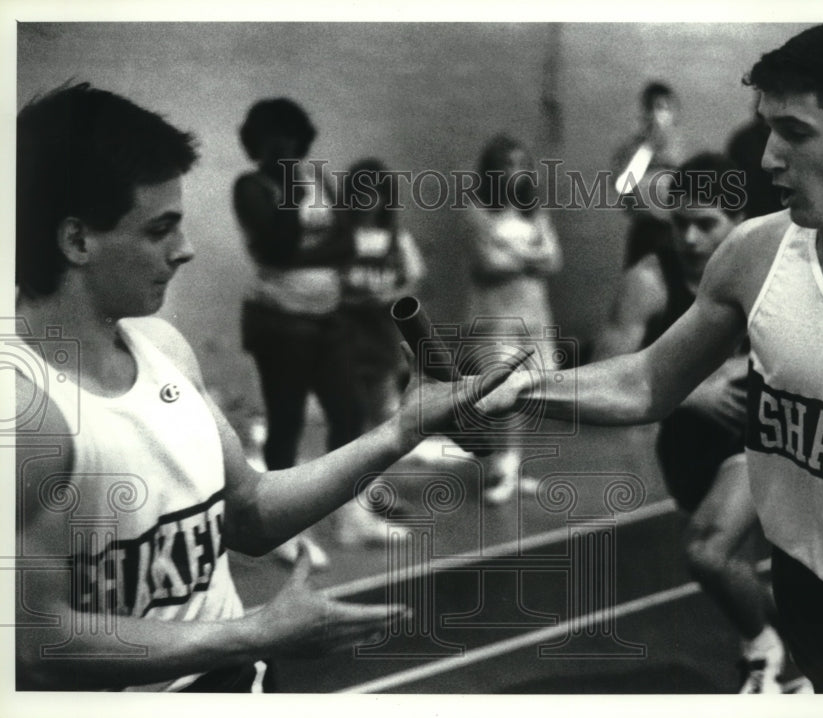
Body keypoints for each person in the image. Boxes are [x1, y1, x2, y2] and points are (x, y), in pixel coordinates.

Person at [483, 24, 823, 693]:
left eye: (795, 133)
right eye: (766, 129)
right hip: (807, 594)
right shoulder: (753, 251)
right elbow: (647, 378)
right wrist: (521, 389)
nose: (768, 159)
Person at [13, 82, 523, 692]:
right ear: (76, 241)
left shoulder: (165, 350)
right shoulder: (28, 413)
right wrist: (254, 632)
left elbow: (249, 510)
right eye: (160, 230)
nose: (187, 249)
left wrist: (400, 432)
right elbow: (36, 645)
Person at [594, 152, 796, 693]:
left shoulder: (774, 266)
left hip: (763, 437)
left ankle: (764, 655)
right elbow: (608, 374)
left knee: (708, 551)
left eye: (706, 224)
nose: (689, 237)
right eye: (680, 222)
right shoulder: (650, 280)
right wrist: (689, 388)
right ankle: (790, 655)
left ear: (738, 222)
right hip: (688, 449)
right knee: (740, 565)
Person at [233, 98, 353, 564]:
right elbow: (277, 248)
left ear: (301, 137)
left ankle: (342, 507)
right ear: (257, 143)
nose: (282, 145)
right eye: (271, 136)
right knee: (287, 422)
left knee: (350, 413)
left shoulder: (319, 177)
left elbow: (345, 245)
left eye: (289, 134)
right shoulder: (250, 186)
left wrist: (306, 250)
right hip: (278, 322)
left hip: (327, 317)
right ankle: (284, 526)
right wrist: (289, 194)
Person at [330, 158, 426, 543]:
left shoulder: (395, 237)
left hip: (382, 337)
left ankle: (374, 491)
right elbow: (332, 282)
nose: (369, 200)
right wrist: (356, 294)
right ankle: (351, 510)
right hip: (348, 337)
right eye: (362, 192)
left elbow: (414, 277)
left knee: (383, 418)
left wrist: (390, 294)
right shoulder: (340, 239)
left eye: (377, 192)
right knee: (350, 423)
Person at [465, 134, 563, 504]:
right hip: (495, 316)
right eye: (506, 165)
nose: (514, 172)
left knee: (526, 392)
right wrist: (530, 255)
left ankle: (511, 464)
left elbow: (554, 260)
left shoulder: (534, 212)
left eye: (521, 164)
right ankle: (497, 466)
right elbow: (489, 263)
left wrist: (514, 252)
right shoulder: (477, 211)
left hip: (533, 314)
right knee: (499, 392)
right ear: (491, 170)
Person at [612, 81, 687, 267]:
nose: (657, 116)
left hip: (675, 233)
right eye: (651, 108)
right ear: (643, 113)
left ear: (674, 113)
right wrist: (649, 147)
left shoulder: (682, 150)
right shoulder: (630, 151)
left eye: (664, 108)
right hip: (645, 233)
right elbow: (624, 186)